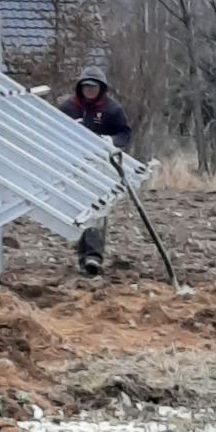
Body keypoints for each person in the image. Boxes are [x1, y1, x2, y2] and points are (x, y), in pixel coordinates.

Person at [59, 67, 131, 276]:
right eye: (86, 87)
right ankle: (84, 255)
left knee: (98, 209)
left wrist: (112, 141)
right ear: (80, 88)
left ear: (101, 88)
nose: (89, 91)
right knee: (80, 210)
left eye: (93, 87)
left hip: (101, 167)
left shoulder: (112, 110)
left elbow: (124, 133)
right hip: (74, 164)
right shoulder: (68, 107)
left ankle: (93, 256)